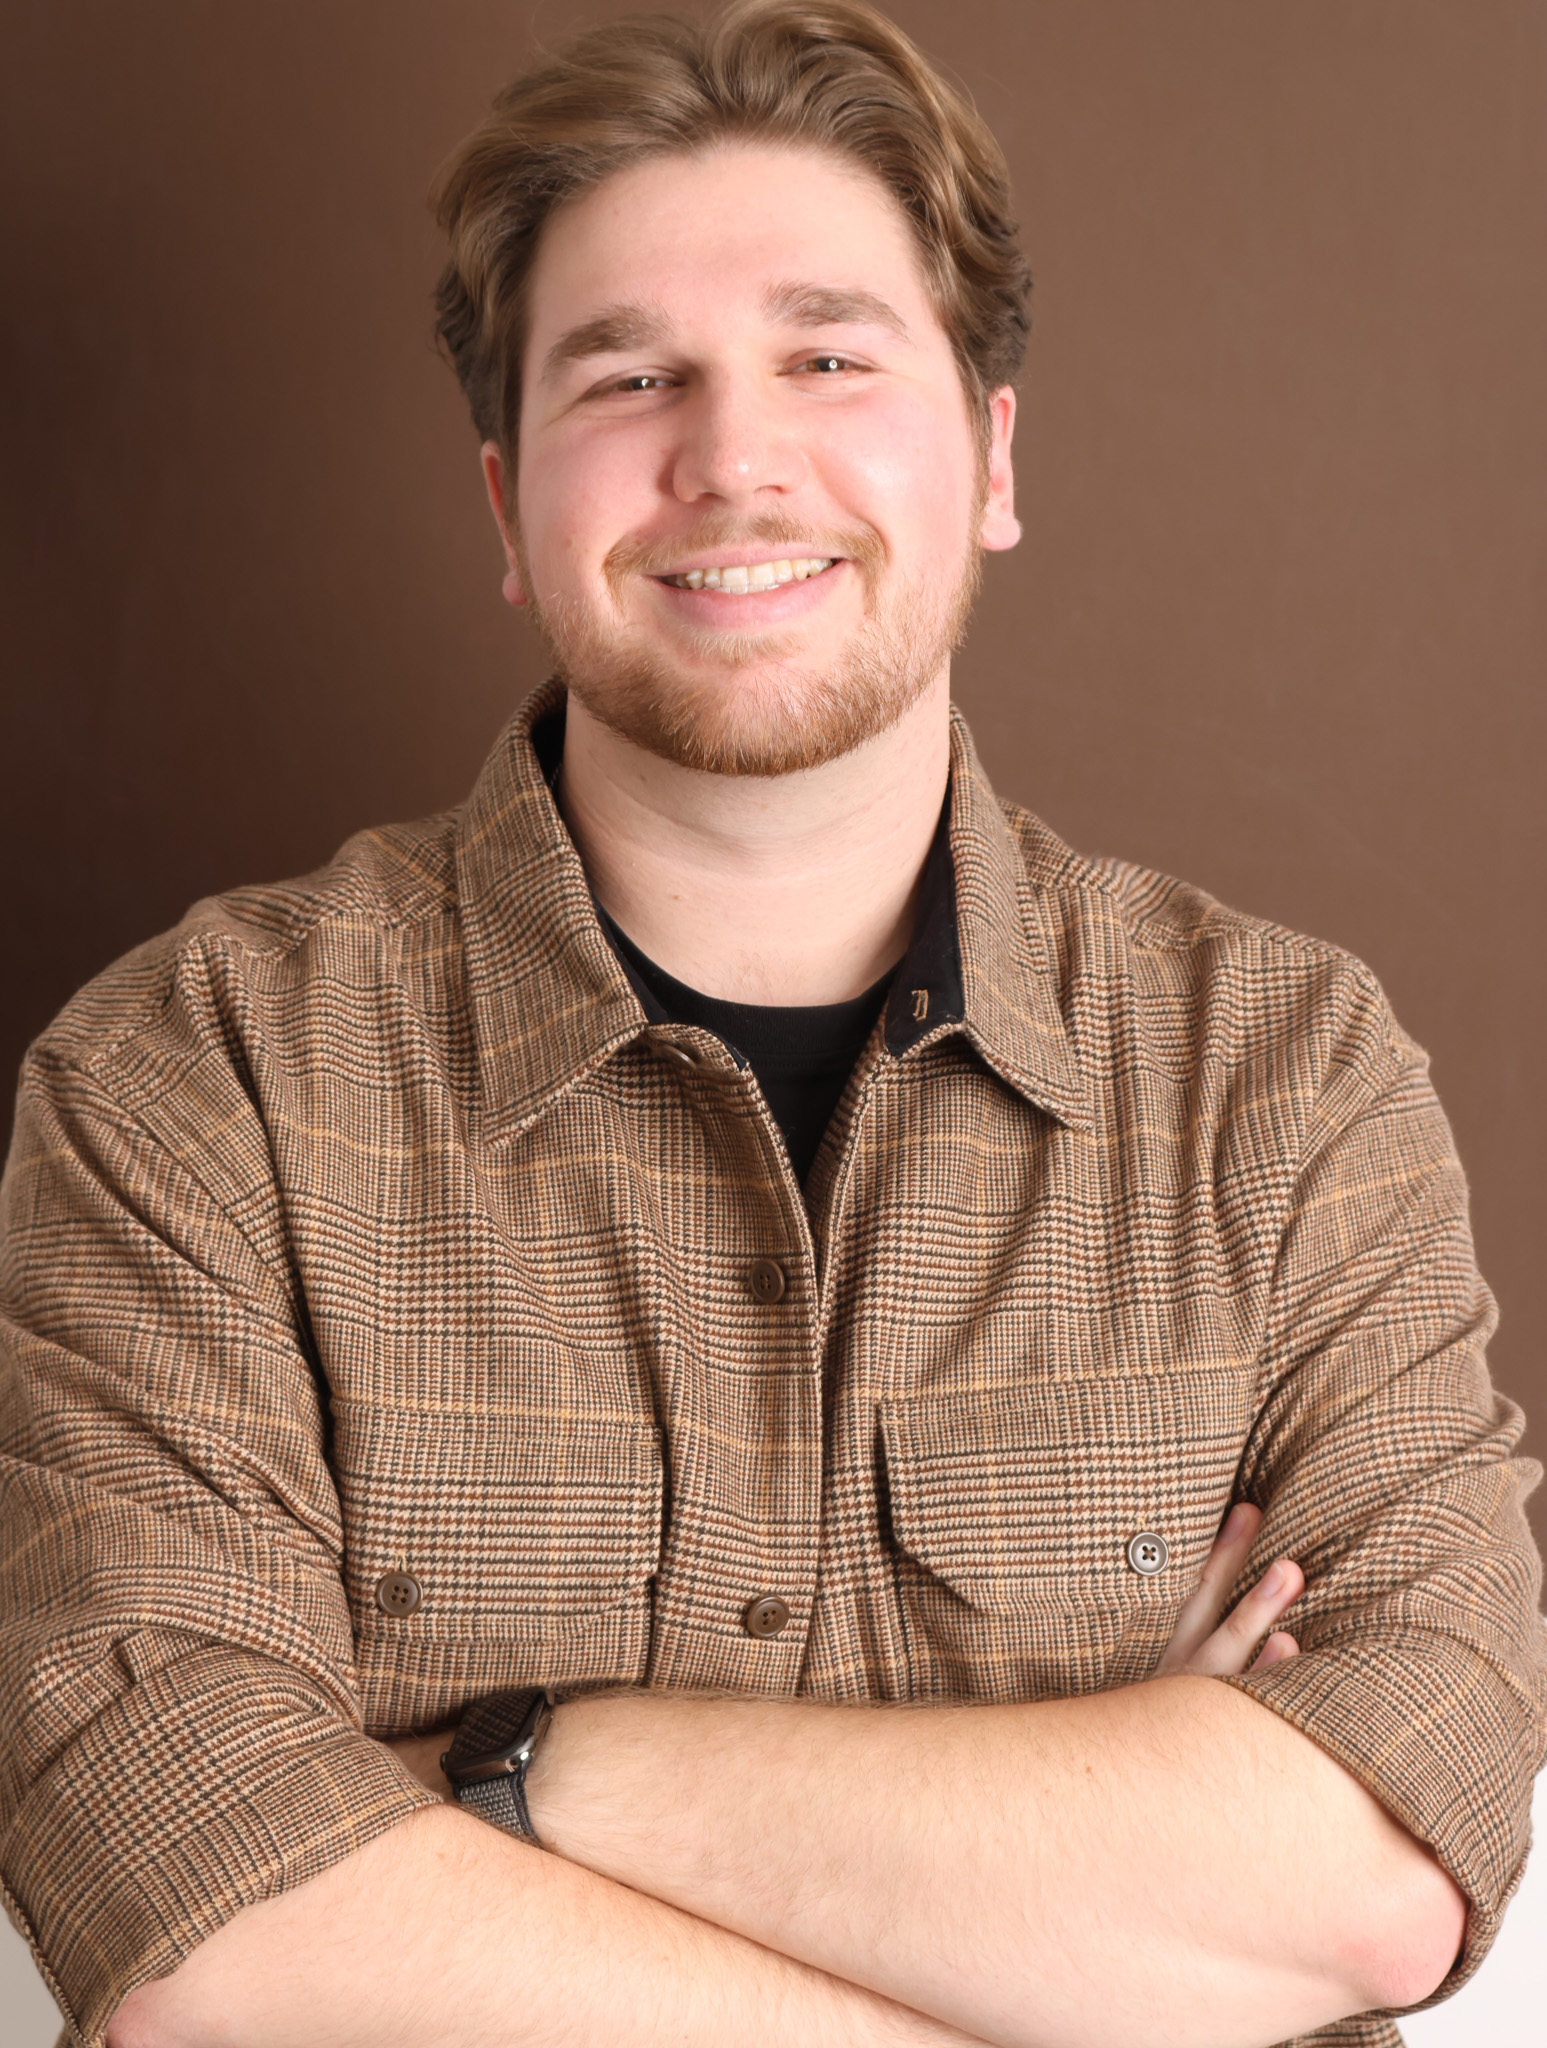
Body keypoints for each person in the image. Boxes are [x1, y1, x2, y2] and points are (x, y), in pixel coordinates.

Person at [1, 4, 1541, 2045]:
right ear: (504, 505)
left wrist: (524, 1773)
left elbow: (1385, 1859)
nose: (733, 457)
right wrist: (1111, 1884)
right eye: (629, 375)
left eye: (828, 358)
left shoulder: (1288, 1080)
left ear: (992, 458)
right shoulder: (195, 1082)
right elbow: (201, 1930)